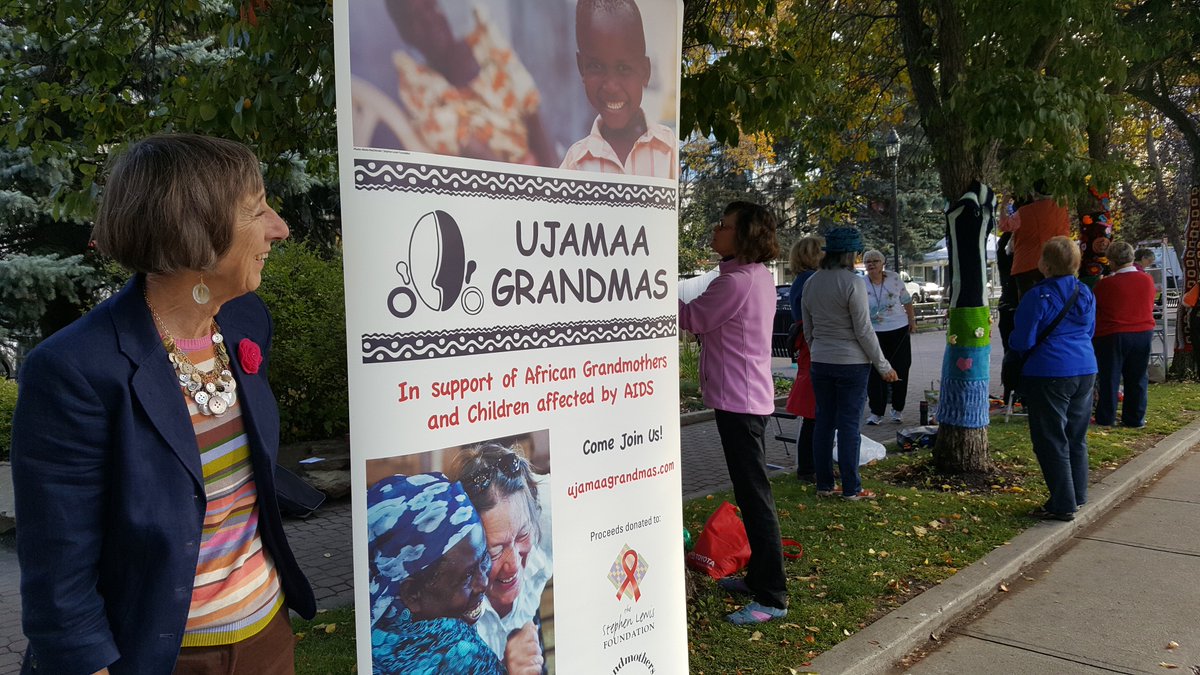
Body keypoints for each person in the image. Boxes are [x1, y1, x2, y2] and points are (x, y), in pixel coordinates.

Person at [10, 134, 315, 674]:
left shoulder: (246, 321)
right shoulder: (75, 369)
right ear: (194, 230)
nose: (279, 228)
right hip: (159, 656)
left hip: (268, 636)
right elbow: (59, 573)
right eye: (257, 209)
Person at [678, 201, 788, 624]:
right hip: (746, 399)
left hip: (739, 403)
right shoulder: (755, 276)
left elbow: (691, 317)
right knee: (750, 494)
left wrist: (645, 289)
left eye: (724, 226)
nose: (716, 230)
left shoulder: (736, 282)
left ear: (743, 237)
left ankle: (773, 596)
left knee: (755, 498)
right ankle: (761, 576)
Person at [385, 0, 556, 165]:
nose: (429, 20)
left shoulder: (486, 44)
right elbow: (468, 147)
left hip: (537, 167)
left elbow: (532, 111)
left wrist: (551, 175)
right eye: (416, 18)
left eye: (431, 7)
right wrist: (523, 183)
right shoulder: (419, 86)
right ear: (405, 33)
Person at [367, 473, 506, 674]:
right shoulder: (458, 651)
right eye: (466, 577)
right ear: (412, 594)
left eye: (484, 558)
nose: (483, 583)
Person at [801, 228, 898, 501]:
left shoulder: (812, 282)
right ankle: (851, 488)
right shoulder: (853, 283)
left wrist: (818, 348)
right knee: (848, 427)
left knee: (823, 424)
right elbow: (864, 330)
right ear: (850, 254)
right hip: (852, 364)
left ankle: (824, 484)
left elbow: (808, 328)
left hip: (821, 360)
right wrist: (883, 366)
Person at [1011, 236, 1097, 521]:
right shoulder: (1084, 292)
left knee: (1050, 438)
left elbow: (1022, 340)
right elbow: (1090, 328)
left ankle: (1062, 502)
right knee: (1076, 435)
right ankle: (1078, 494)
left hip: (1049, 371)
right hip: (1085, 367)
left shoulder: (1038, 295)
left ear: (1045, 265)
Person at [452, 444, 552, 675]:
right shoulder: (452, 626)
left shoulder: (544, 513)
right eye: (495, 551)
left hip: (528, 630)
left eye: (523, 535)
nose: (515, 565)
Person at [559, 0, 677, 179]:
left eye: (624, 68)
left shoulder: (670, 148)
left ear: (645, 71)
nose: (611, 86)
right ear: (581, 67)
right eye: (596, 66)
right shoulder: (575, 161)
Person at [1092, 241, 1156, 428]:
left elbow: (1097, 308)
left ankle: (1106, 417)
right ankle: (1135, 418)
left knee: (1110, 377)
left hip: (1113, 334)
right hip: (1143, 332)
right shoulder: (1147, 280)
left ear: (1111, 261)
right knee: (1137, 377)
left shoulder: (1106, 284)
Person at [784, 236, 824, 482]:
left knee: (813, 413)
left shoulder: (800, 280)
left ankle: (811, 466)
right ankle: (809, 468)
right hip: (815, 347)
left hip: (807, 347)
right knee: (815, 414)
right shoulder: (812, 280)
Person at [861, 249, 916, 425]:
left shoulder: (894, 278)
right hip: (874, 332)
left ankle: (897, 409)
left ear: (882, 263)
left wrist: (911, 320)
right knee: (876, 371)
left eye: (875, 261)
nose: (871, 264)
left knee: (901, 367)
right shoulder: (861, 283)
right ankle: (876, 412)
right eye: (868, 261)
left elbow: (906, 300)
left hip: (898, 328)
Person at [1010, 186, 1071, 298]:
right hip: (1055, 262)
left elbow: (1008, 228)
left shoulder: (1023, 212)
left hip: (1026, 265)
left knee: (1029, 304)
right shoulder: (1061, 210)